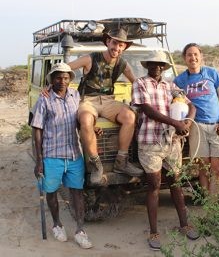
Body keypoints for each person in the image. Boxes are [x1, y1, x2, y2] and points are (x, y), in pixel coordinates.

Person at [131, 54, 200, 251]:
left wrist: (187, 122)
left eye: (160, 65)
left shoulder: (170, 86)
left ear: (164, 67)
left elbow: (190, 105)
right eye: (153, 64)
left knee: (176, 182)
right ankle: (153, 231)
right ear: (148, 66)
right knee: (154, 184)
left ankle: (184, 224)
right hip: (150, 140)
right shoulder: (140, 83)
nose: (157, 67)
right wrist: (175, 123)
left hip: (171, 141)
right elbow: (147, 110)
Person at [68, 28, 143, 185]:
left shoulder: (122, 64)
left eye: (121, 45)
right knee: (86, 120)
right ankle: (96, 165)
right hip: (88, 100)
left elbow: (136, 83)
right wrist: (50, 84)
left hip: (109, 100)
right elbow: (67, 68)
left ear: (124, 47)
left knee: (130, 116)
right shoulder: (90, 58)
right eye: (114, 43)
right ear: (108, 42)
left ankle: (121, 162)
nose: (117, 48)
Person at [31, 63, 93, 249]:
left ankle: (80, 230)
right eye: (58, 77)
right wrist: (39, 160)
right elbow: (37, 129)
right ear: (52, 79)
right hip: (52, 154)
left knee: (77, 192)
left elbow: (78, 119)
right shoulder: (45, 99)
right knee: (51, 192)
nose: (62, 81)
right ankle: (57, 224)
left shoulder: (75, 95)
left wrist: (90, 128)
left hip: (74, 153)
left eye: (66, 78)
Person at [173, 43, 219, 201]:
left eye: (195, 54)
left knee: (217, 168)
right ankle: (207, 202)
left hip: (217, 126)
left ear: (201, 56)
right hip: (197, 127)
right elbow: (176, 102)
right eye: (189, 55)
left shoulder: (212, 73)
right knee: (203, 167)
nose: (193, 57)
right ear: (185, 58)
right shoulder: (180, 80)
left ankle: (214, 202)